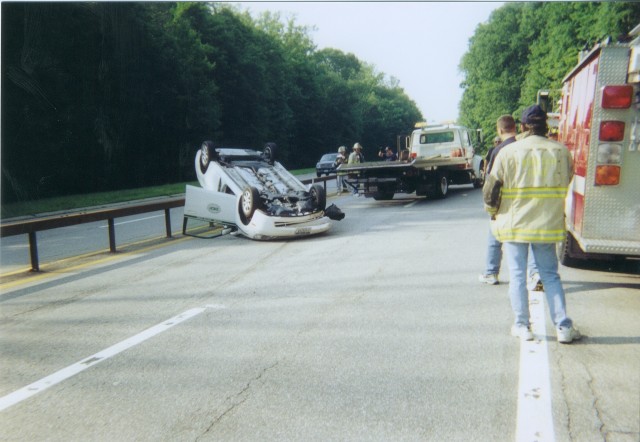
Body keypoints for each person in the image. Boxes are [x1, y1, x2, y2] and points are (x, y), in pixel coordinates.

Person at [484, 104, 581, 343]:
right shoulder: (561, 151)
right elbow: (567, 180)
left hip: (516, 224)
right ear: (545, 125)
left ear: (524, 126)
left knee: (517, 276)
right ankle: (563, 327)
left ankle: (522, 326)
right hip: (547, 225)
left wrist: (493, 212)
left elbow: (491, 190)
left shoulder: (508, 152)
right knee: (550, 275)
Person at [479, 116, 542, 288]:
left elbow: (492, 182)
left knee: (495, 236)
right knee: (534, 237)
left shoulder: (498, 150)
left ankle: (491, 272)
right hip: (530, 200)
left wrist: (491, 208)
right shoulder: (527, 147)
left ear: (499, 130)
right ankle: (535, 273)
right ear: (517, 127)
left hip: (505, 204)